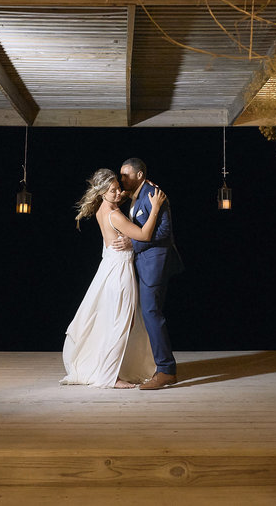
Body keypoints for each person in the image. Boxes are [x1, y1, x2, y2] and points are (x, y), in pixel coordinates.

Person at [61, 168, 167, 388]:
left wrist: (143, 183)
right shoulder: (115, 215)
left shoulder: (102, 209)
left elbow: (125, 194)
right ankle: (112, 377)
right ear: (102, 192)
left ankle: (111, 370)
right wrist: (155, 208)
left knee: (113, 321)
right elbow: (145, 235)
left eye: (119, 188)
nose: (119, 193)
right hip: (120, 273)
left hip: (108, 268)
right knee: (121, 323)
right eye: (113, 190)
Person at [112, 157, 184, 390]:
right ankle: (160, 366)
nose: (122, 179)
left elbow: (164, 231)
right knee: (150, 312)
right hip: (145, 262)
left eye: (126, 175)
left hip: (155, 262)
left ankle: (165, 371)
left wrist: (134, 244)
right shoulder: (137, 194)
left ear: (140, 175)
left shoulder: (153, 194)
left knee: (152, 311)